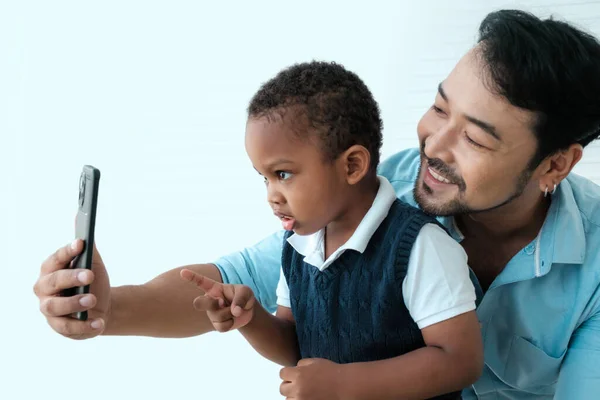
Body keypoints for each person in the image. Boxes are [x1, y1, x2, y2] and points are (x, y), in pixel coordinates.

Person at [34, 9, 600, 399]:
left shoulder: (593, 266)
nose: (435, 143)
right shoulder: (379, 188)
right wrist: (108, 307)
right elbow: (235, 279)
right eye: (439, 107)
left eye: (475, 138)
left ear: (555, 164)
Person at [178, 61, 483, 399]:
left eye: (283, 174)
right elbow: (297, 346)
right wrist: (249, 319)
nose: (271, 196)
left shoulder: (420, 246)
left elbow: (460, 361)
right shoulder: (298, 247)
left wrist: (343, 384)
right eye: (264, 178)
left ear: (352, 165)